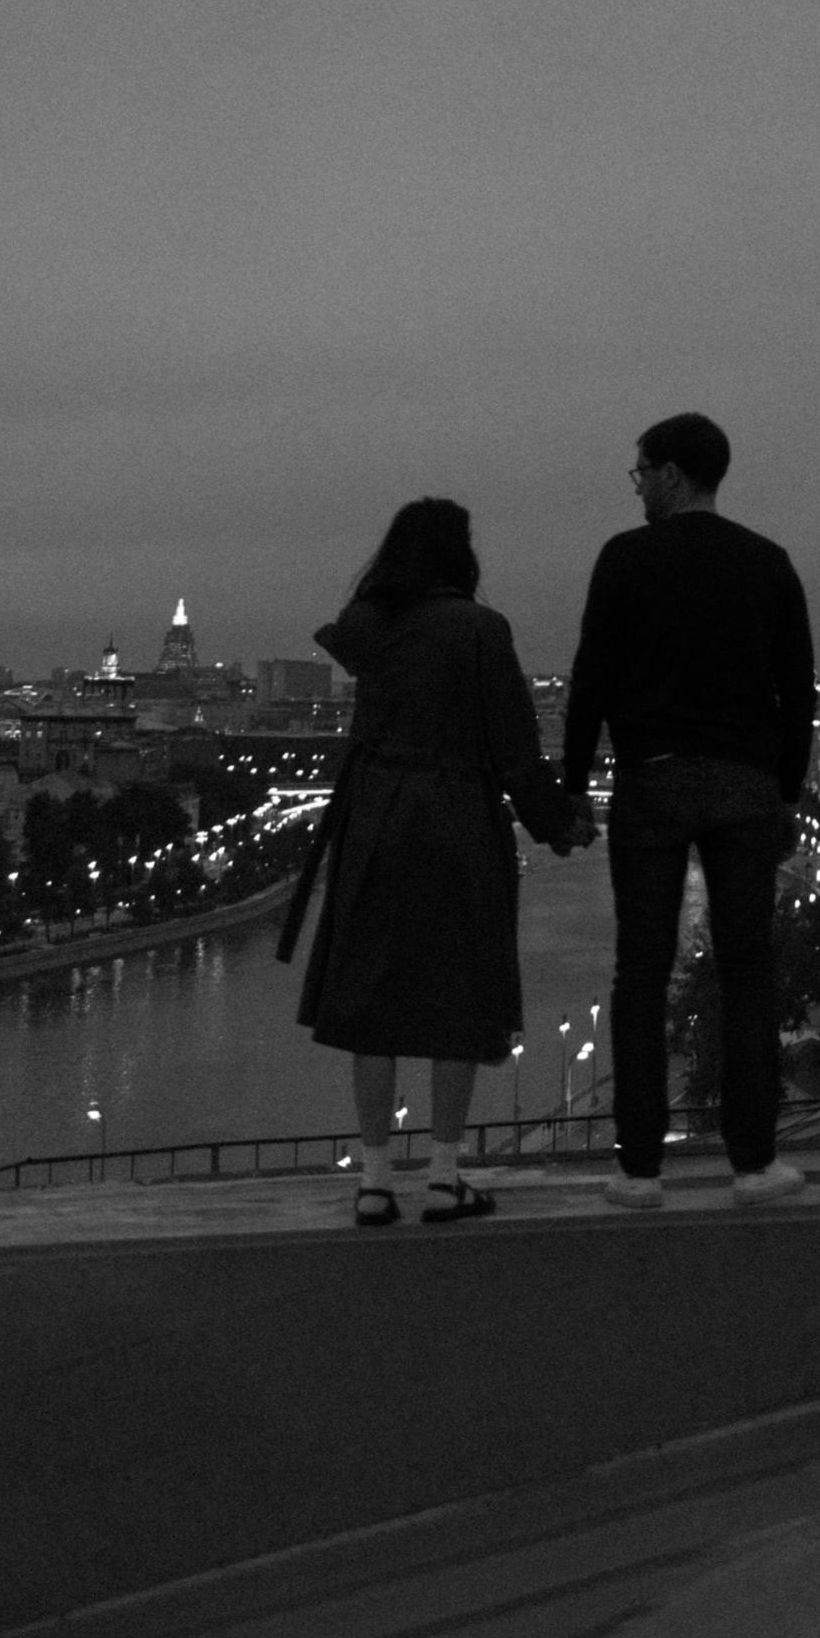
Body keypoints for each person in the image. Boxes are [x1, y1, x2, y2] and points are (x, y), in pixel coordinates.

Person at [280, 497, 592, 1226]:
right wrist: (558, 826)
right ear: (461, 554)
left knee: (374, 1003)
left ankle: (375, 1181)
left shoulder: (365, 624)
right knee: (459, 995)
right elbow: (514, 750)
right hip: (455, 817)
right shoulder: (481, 630)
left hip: (375, 817)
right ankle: (446, 1177)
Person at [562, 413, 816, 1209]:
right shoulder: (769, 563)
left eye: (640, 472)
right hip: (745, 785)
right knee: (748, 972)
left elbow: (592, 679)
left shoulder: (624, 559)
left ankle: (639, 1171)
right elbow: (797, 692)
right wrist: (785, 791)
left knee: (641, 972)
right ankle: (754, 1165)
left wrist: (572, 785)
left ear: (671, 474)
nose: (635, 485)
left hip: (654, 782)